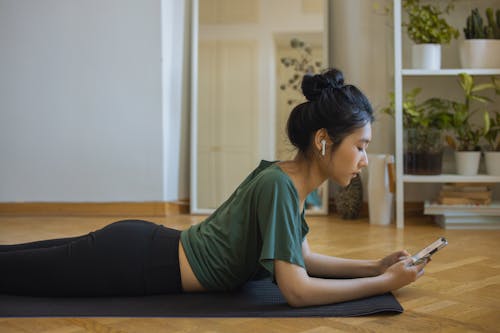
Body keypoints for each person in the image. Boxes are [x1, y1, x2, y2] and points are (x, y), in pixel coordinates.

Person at [0, 68, 426, 307]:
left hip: (142, 249)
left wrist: (375, 266)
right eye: (361, 146)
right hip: (136, 262)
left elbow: (304, 258)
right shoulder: (281, 186)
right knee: (15, 273)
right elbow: (297, 290)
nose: (365, 159)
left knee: (18, 263)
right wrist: (383, 283)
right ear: (323, 140)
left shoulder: (289, 181)